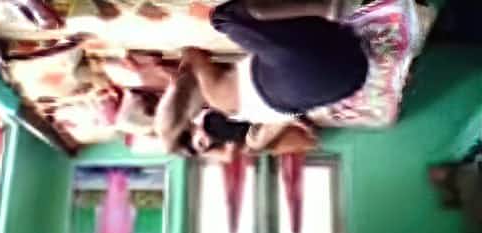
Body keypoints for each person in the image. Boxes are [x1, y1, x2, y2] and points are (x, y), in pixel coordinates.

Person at [156, 0, 428, 157]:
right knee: (225, 18)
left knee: (286, 46)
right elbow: (193, 54)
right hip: (305, 66)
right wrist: (179, 73)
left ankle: (334, 17)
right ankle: (332, 7)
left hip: (351, 75)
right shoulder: (220, 98)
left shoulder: (257, 119)